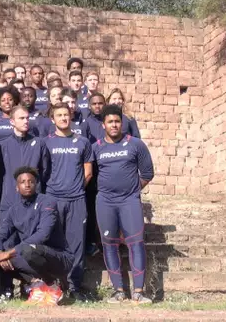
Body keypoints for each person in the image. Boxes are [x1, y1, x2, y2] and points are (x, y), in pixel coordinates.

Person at [91, 104, 154, 304]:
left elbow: (147, 173)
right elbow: (90, 176)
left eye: (117, 121)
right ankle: (118, 290)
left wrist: (131, 191)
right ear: (104, 125)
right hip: (105, 202)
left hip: (129, 201)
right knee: (109, 245)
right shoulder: (96, 148)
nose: (114, 125)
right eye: (110, 122)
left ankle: (138, 291)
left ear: (123, 123)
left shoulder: (136, 144)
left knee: (136, 243)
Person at [0, 167, 71, 305]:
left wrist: (9, 253)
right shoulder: (14, 210)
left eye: (31, 181)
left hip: (58, 257)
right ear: (17, 187)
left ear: (36, 184)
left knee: (28, 250)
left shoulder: (47, 202)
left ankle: (54, 285)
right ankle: (38, 287)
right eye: (23, 182)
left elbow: (43, 235)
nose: (27, 184)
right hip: (31, 255)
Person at [44, 102, 93, 302]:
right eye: (59, 115)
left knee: (76, 245)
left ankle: (74, 286)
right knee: (53, 244)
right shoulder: (46, 142)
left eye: (66, 114)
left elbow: (88, 172)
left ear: (71, 116)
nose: (64, 118)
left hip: (77, 200)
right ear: (52, 119)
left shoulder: (83, 142)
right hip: (53, 199)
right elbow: (42, 171)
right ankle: (53, 285)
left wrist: (75, 188)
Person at [0, 106, 49, 223]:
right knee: (7, 239)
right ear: (12, 121)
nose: (26, 121)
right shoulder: (3, 146)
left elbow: (45, 171)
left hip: (33, 200)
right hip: (9, 199)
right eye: (21, 118)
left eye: (27, 118)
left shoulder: (39, 143)